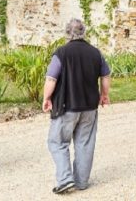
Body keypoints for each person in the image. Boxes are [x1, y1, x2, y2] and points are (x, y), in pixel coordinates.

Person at [42, 18, 111, 195]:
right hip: (89, 107)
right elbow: (105, 76)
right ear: (84, 32)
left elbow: (51, 78)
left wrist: (46, 98)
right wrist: (104, 95)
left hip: (66, 106)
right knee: (85, 143)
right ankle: (81, 182)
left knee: (57, 142)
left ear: (67, 33)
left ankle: (65, 179)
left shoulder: (61, 53)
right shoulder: (96, 53)